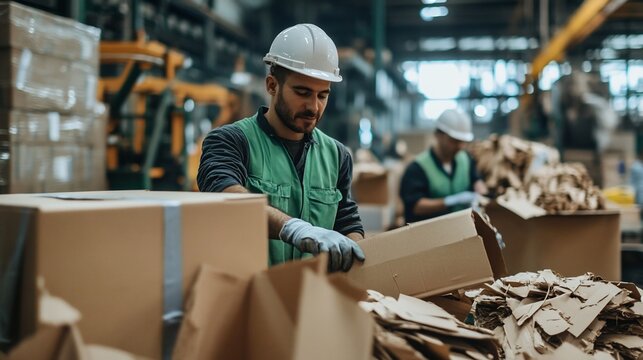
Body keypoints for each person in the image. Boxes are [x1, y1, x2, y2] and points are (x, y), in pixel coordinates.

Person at [197, 24, 365, 272]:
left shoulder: (337, 155)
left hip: (313, 299)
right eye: (302, 92)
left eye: (322, 95)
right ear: (272, 85)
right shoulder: (230, 140)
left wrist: (358, 256)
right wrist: (293, 228)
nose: (314, 107)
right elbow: (225, 197)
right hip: (247, 298)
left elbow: (347, 220)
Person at [399, 109, 487, 222]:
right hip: (430, 233)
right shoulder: (418, 168)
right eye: (454, 141)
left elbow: (477, 181)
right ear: (438, 135)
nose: (459, 146)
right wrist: (452, 200)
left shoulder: (465, 160)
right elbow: (415, 206)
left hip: (463, 228)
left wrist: (481, 196)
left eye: (462, 141)